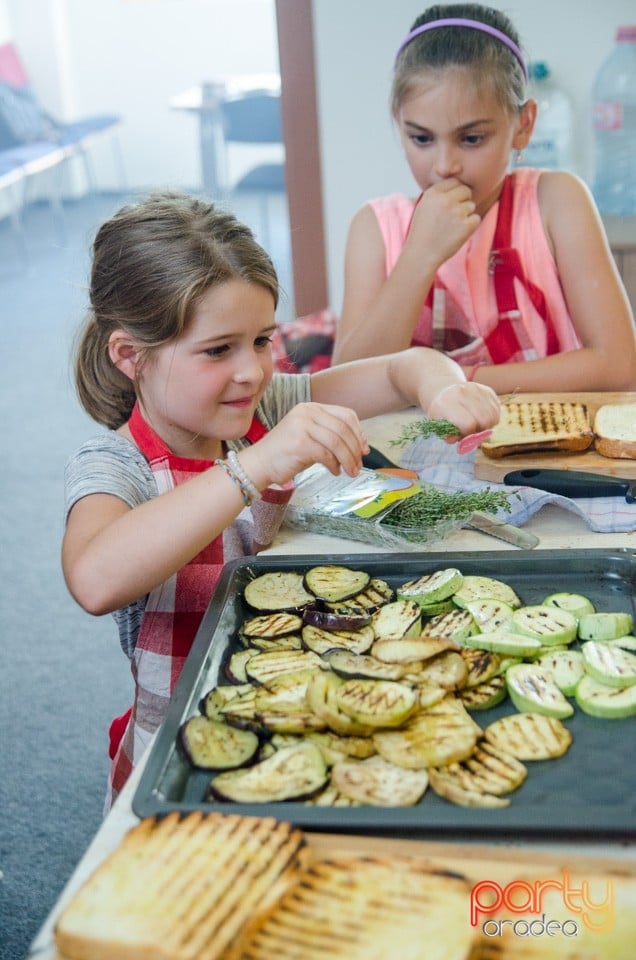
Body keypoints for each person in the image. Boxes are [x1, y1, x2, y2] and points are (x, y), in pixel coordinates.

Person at [61, 190, 499, 807]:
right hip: (181, 757)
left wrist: (443, 388)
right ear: (131, 355)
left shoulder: (263, 405)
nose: (253, 370)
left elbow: (403, 367)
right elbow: (94, 578)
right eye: (219, 350)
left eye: (263, 340)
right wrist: (255, 465)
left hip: (299, 717)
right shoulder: (115, 465)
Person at [331, 3, 636, 394]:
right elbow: (346, 391)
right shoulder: (375, 227)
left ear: (523, 126)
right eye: (421, 138)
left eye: (471, 139)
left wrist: (455, 382)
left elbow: (619, 365)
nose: (444, 166)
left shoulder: (557, 202)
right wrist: (419, 256)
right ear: (398, 121)